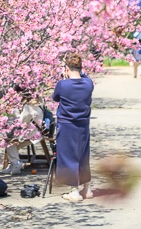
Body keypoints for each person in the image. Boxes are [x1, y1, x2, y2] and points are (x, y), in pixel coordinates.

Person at [52, 52, 94, 202]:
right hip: (83, 124)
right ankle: (87, 188)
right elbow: (85, 77)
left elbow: (55, 98)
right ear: (81, 68)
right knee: (83, 155)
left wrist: (65, 77)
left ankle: (74, 191)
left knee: (68, 156)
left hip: (67, 124)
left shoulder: (63, 84)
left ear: (66, 69)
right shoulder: (88, 83)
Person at [0, 86, 44, 175]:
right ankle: (14, 163)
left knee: (9, 142)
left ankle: (16, 164)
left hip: (31, 134)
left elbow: (20, 121)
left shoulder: (29, 107)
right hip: (36, 132)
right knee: (11, 143)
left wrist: (14, 111)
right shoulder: (38, 103)